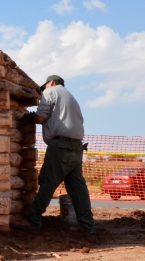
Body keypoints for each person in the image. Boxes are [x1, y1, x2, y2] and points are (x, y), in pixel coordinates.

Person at [17, 75, 96, 234]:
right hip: (76, 146)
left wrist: (28, 117)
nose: (43, 90)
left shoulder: (51, 91)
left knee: (48, 182)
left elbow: (40, 117)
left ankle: (33, 219)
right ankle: (88, 225)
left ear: (51, 83)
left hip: (60, 146)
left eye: (44, 87)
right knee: (77, 188)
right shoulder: (70, 97)